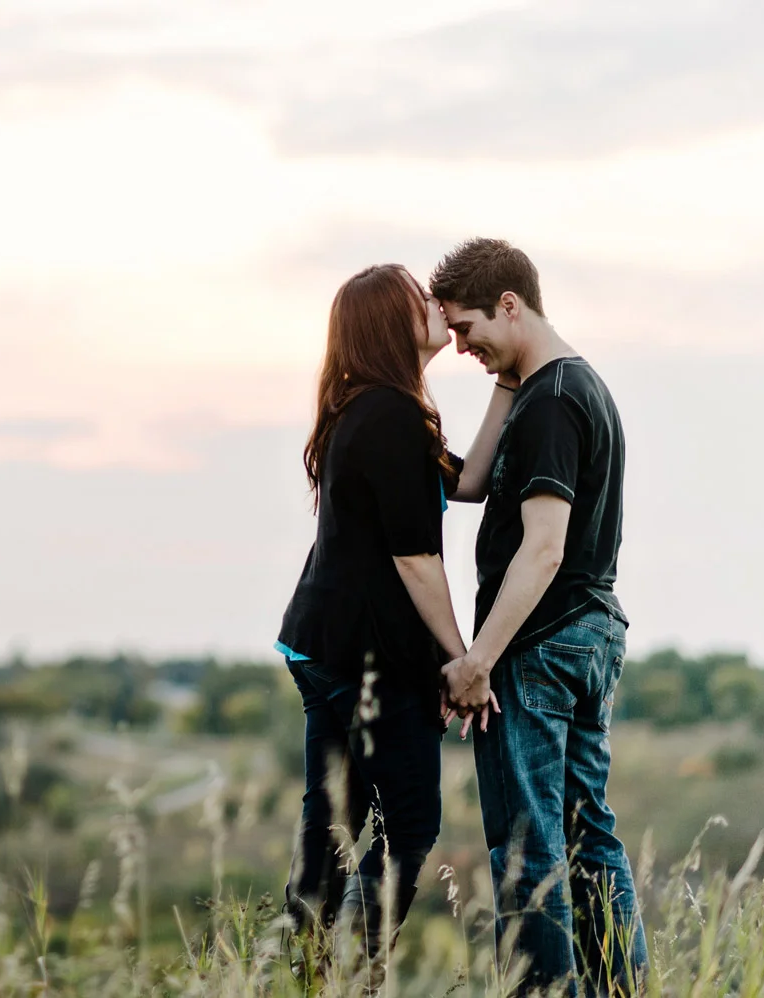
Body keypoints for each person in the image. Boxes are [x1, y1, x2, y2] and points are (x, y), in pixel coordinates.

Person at [434, 238, 647, 996]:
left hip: (543, 646)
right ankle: (621, 987)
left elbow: (544, 548)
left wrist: (478, 660)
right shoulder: (558, 386)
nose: (460, 347)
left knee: (529, 848)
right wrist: (504, 373)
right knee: (589, 836)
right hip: (589, 638)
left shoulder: (553, 401)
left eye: (466, 330)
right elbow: (471, 482)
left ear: (510, 305)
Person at [275, 263, 502, 969]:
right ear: (386, 323)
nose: (434, 306)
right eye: (417, 300)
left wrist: (508, 384)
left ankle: (308, 973)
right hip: (363, 656)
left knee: (334, 826)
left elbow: (469, 481)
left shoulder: (371, 411)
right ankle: (352, 971)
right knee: (407, 825)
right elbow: (416, 561)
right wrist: (463, 661)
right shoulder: (390, 416)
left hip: (322, 647)